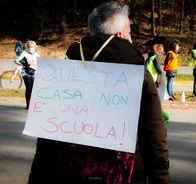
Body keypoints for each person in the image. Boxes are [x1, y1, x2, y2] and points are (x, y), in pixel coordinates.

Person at [28, 2, 170, 184]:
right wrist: (161, 177)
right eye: (129, 31)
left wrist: (37, 177)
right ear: (120, 35)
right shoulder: (138, 75)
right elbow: (154, 134)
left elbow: (47, 139)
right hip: (128, 173)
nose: (130, 36)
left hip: (68, 171)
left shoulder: (62, 72)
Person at [14, 40, 40, 109]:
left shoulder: (36, 54)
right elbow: (17, 61)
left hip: (34, 73)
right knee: (29, 88)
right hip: (25, 73)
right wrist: (26, 63)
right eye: (29, 45)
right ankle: (28, 105)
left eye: (32, 45)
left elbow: (40, 63)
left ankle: (32, 104)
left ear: (35, 46)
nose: (30, 46)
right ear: (27, 46)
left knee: (33, 89)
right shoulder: (24, 53)